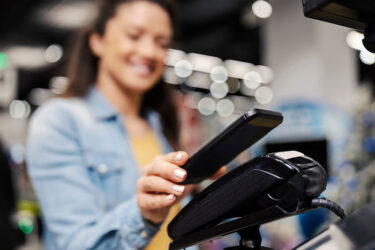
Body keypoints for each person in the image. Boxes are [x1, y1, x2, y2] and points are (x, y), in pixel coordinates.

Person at [26, 0, 225, 249]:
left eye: (161, 43)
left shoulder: (158, 122)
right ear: (97, 41)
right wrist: (145, 214)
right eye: (134, 35)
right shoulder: (58, 121)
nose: (149, 51)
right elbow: (76, 243)